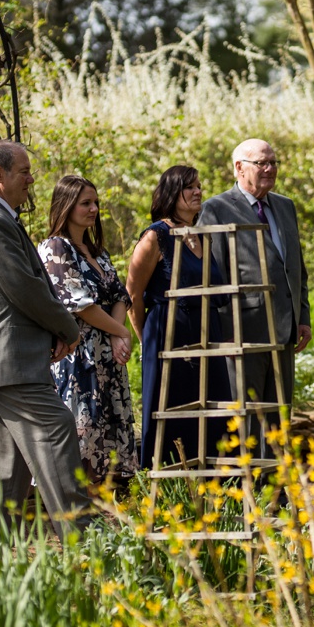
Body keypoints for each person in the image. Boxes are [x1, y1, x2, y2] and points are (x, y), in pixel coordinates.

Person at [0, 140, 91, 542]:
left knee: (5, 466)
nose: (32, 180)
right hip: (8, 360)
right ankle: (88, 548)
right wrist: (67, 327)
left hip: (3, 362)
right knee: (58, 427)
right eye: (24, 172)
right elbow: (25, 288)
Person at [199, 139, 311, 456]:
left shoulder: (285, 206)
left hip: (284, 330)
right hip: (242, 332)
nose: (270, 169)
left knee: (279, 417)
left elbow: (296, 267)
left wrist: (303, 317)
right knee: (245, 416)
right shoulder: (216, 209)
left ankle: (277, 493)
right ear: (239, 167)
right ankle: (247, 494)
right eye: (262, 163)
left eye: (273, 162)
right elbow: (212, 274)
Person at [126, 165, 232, 467]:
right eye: (189, 187)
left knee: (214, 411)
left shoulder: (201, 236)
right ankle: (172, 491)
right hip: (169, 336)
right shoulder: (155, 236)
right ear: (172, 193)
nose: (198, 192)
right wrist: (147, 340)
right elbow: (132, 294)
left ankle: (217, 490)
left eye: (199, 185)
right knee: (174, 410)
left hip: (207, 336)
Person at [37, 175, 138, 484]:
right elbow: (80, 305)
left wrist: (116, 332)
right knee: (84, 437)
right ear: (66, 206)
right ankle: (75, 513)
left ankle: (105, 519)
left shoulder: (98, 252)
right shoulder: (56, 248)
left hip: (108, 359)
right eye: (86, 203)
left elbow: (120, 295)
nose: (94, 209)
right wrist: (120, 333)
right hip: (79, 359)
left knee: (109, 443)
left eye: (96, 203)